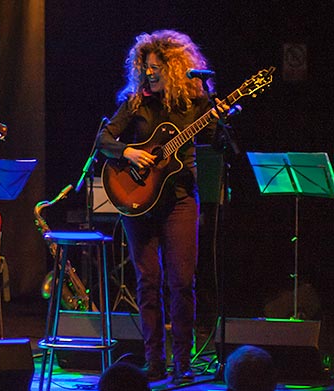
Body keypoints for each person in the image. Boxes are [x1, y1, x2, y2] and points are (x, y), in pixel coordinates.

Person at [97, 30, 228, 384]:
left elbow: (216, 144)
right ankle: (154, 361)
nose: (149, 74)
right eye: (145, 67)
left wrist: (219, 119)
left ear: (173, 69)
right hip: (138, 202)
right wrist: (127, 151)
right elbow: (104, 140)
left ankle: (182, 362)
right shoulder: (135, 103)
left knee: (182, 282)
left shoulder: (196, 103)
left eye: (156, 68)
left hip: (181, 200)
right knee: (148, 282)